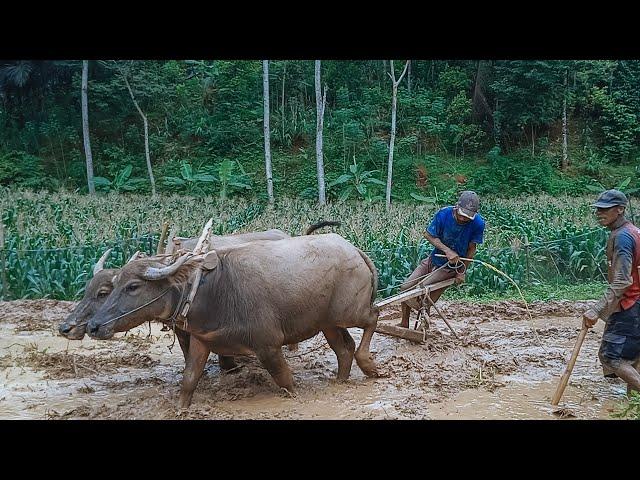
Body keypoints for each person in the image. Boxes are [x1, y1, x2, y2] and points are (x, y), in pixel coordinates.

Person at [398, 190, 485, 328]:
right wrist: (447, 250)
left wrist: (462, 271)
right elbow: (428, 235)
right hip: (434, 258)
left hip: (451, 267)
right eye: (462, 215)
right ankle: (404, 322)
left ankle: (423, 326)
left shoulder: (478, 224)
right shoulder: (443, 214)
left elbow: (471, 249)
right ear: (457, 207)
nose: (463, 219)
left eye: (467, 217)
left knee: (423, 292)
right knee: (405, 287)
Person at [582, 189, 640, 394]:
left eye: (605, 209)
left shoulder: (623, 237)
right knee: (631, 358)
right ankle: (632, 407)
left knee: (611, 357)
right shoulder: (633, 231)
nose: (599, 213)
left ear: (621, 210)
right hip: (635, 303)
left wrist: (597, 310)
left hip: (630, 304)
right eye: (598, 209)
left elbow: (623, 280)